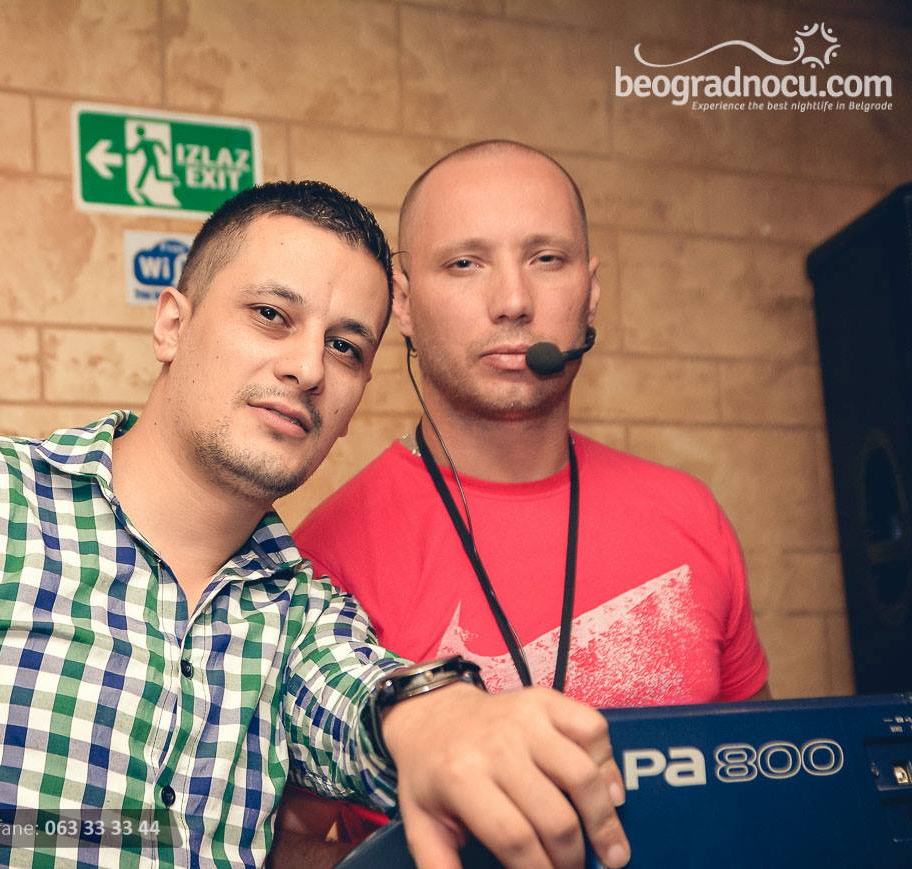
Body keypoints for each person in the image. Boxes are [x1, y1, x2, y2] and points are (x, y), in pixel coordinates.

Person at [0, 180, 631, 869]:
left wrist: (444, 715)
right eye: (271, 315)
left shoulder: (300, 609)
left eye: (346, 348)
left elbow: (364, 698)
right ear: (172, 324)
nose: (308, 367)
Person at [273, 141, 770, 862]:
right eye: (464, 263)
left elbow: (761, 774)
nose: (513, 301)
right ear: (402, 303)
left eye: (546, 258)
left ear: (590, 292)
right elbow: (274, 843)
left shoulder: (691, 512)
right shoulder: (322, 560)